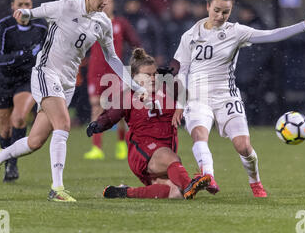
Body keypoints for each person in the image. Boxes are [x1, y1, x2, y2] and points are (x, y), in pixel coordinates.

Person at [0, 0, 146, 202]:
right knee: (63, 124)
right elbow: (34, 13)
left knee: (35, 141)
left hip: (67, 83)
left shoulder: (103, 22)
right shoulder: (66, 6)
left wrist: (134, 86)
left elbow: (112, 58)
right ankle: (57, 189)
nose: (105, 2)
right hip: (45, 72)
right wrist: (24, 13)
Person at [171, 0, 305, 197]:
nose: (220, 16)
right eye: (216, 11)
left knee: (243, 146)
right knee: (199, 135)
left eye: (226, 12)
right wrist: (179, 103)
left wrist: (303, 25)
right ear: (207, 7)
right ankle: (209, 177)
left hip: (227, 96)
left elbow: (271, 35)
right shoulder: (189, 36)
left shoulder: (236, 31)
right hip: (198, 96)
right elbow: (181, 71)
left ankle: (255, 183)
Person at [86, 48, 211, 199]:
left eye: (154, 74)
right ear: (134, 77)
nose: (152, 79)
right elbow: (112, 115)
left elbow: (188, 93)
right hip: (143, 150)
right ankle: (189, 184)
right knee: (172, 160)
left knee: (175, 193)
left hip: (164, 151)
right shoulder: (129, 96)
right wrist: (98, 124)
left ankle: (124, 192)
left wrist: (173, 80)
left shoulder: (168, 89)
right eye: (147, 75)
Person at [0, 0, 48, 182]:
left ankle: (13, 165)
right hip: (4, 80)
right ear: (13, 7)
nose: (24, 8)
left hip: (27, 79)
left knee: (19, 118)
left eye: (28, 5)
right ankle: (6, 161)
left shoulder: (41, 26)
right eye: (20, 5)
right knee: (5, 129)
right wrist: (21, 55)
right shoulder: (4, 26)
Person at [84, 0, 141, 161]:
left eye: (108, 3)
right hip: (95, 71)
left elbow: (135, 43)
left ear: (113, 5)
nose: (106, 6)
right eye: (103, 3)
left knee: (120, 110)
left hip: (115, 72)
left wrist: (139, 61)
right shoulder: (91, 22)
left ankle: (121, 144)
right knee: (96, 107)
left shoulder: (120, 24)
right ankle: (96, 147)